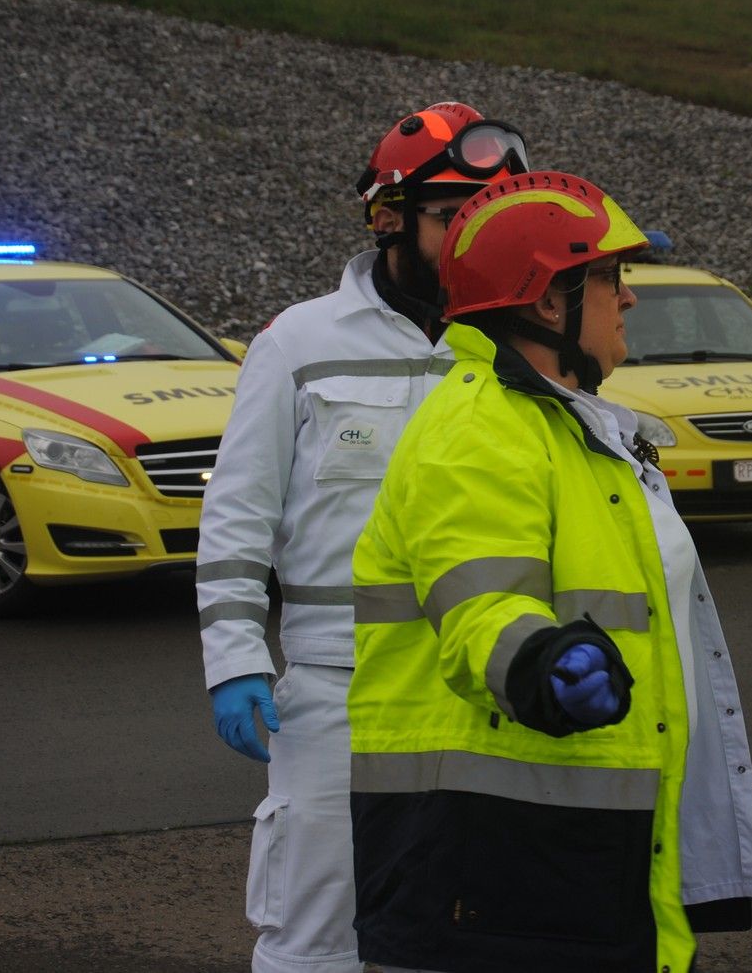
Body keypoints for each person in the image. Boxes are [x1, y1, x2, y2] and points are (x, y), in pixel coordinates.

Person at [347, 170, 752, 973]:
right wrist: (544, 663)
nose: (630, 298)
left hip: (561, 853)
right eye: (613, 276)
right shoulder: (482, 428)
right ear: (550, 302)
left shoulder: (572, 425)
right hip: (490, 863)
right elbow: (479, 604)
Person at [195, 101, 529, 973]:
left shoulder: (505, 349)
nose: (472, 238)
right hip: (336, 692)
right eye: (454, 216)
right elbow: (238, 511)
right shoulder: (298, 343)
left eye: (490, 217)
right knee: (315, 936)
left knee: (459, 928)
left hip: (476, 686)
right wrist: (233, 654)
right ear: (389, 218)